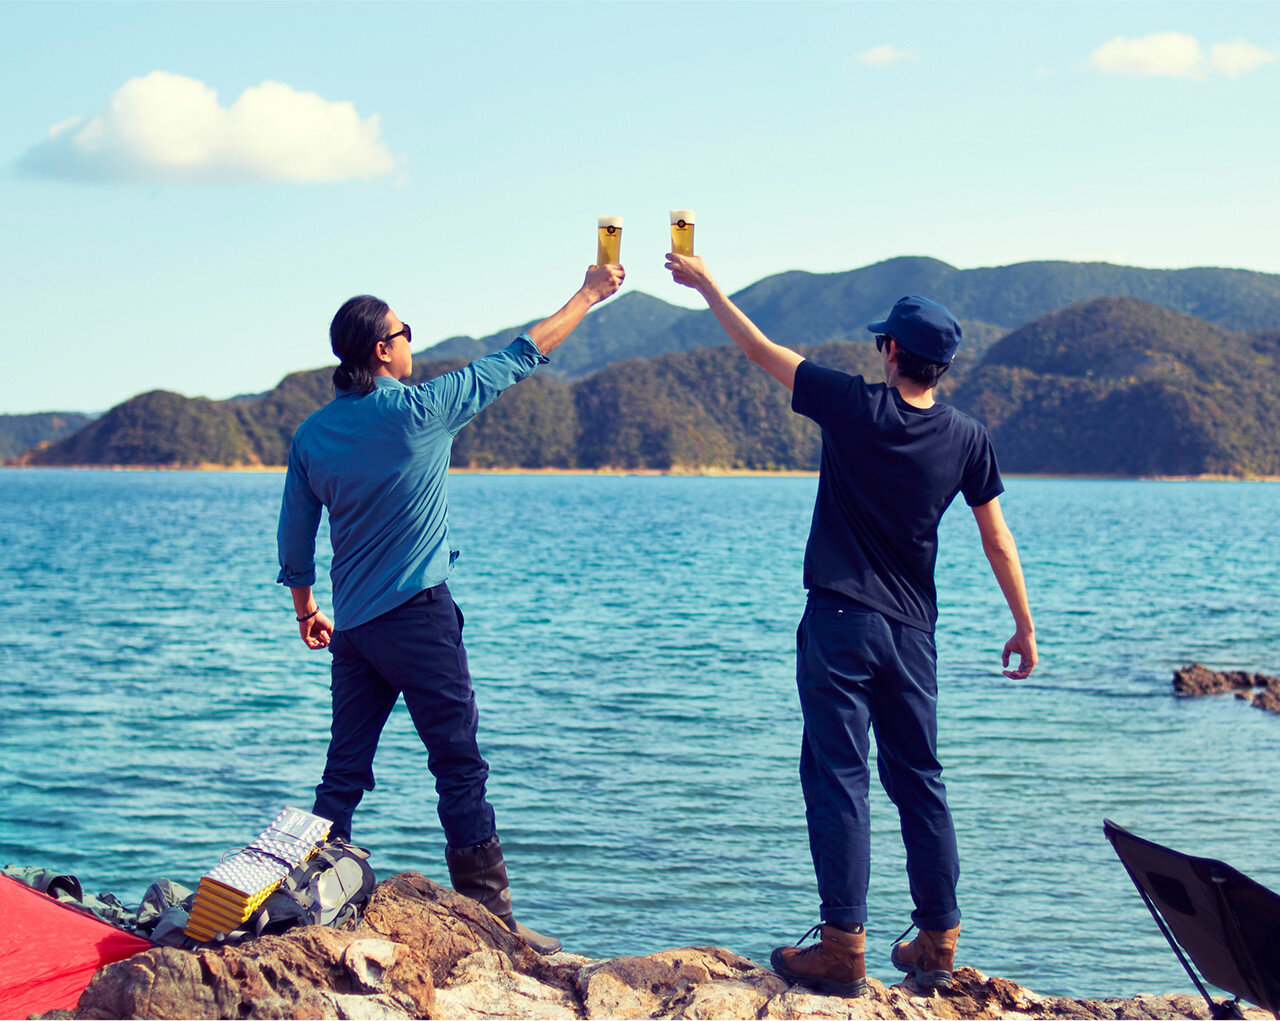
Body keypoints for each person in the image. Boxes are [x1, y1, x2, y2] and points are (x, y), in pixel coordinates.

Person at [665, 252, 1037, 997]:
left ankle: (843, 946)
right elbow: (997, 538)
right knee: (921, 781)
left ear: (892, 351)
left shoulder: (852, 405)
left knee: (839, 777)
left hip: (841, 620)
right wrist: (1024, 625)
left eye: (883, 342)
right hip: (912, 633)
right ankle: (937, 939)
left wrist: (706, 284)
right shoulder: (968, 437)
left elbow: (757, 349)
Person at [277, 261, 625, 956]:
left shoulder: (312, 435)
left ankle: (300, 898)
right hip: (420, 619)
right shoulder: (423, 409)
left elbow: (295, 535)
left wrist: (307, 608)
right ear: (382, 349)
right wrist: (589, 294)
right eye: (405, 332)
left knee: (344, 769)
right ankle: (491, 920)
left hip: (357, 629)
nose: (411, 342)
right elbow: (523, 354)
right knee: (458, 764)